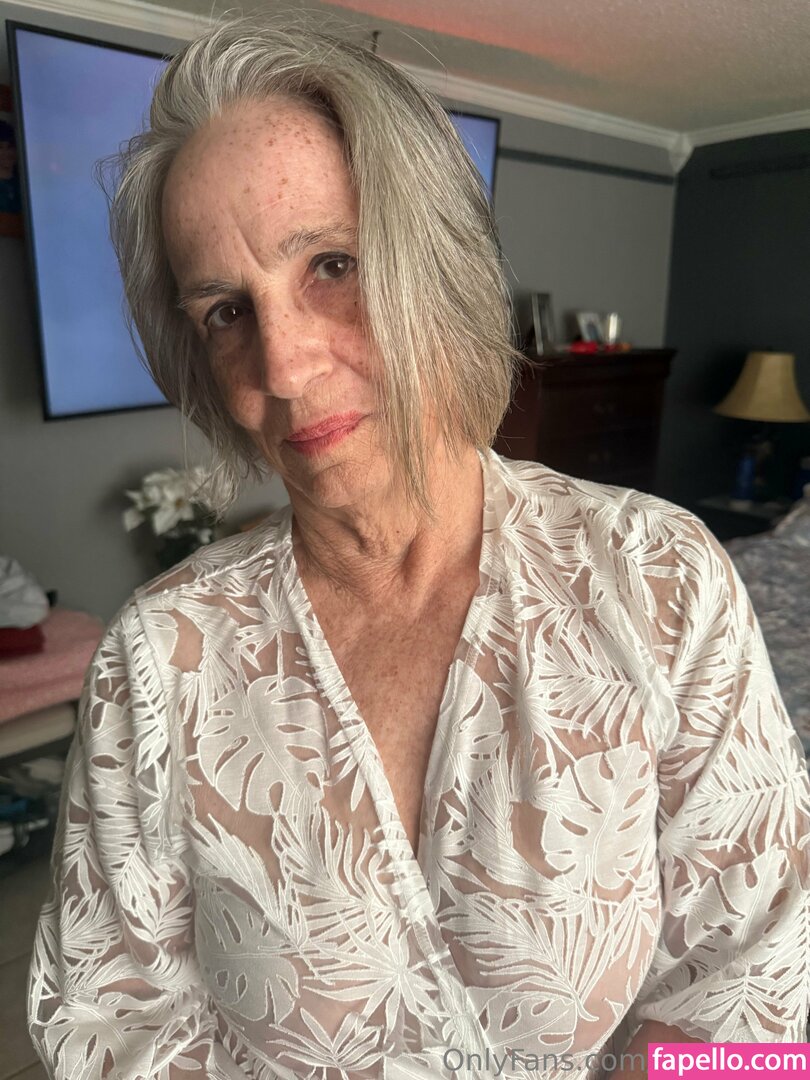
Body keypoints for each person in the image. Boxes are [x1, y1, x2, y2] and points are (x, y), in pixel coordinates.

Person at [27, 14, 810, 1080]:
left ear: (436, 264)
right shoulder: (160, 660)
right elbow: (110, 1026)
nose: (285, 367)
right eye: (225, 312)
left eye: (332, 264)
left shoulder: (663, 584)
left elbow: (753, 1015)